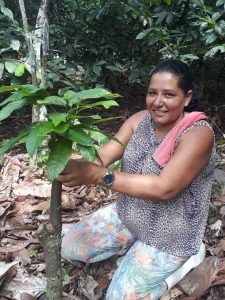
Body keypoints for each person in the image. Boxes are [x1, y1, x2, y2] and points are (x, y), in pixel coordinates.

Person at [57, 59, 216, 300]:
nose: (158, 102)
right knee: (69, 247)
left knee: (117, 298)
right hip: (129, 213)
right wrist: (67, 163)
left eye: (169, 95)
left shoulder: (198, 134)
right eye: (153, 93)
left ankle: (183, 265)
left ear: (187, 97)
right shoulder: (139, 120)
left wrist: (98, 175)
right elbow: (103, 156)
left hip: (170, 232)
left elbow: (165, 188)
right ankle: (130, 247)